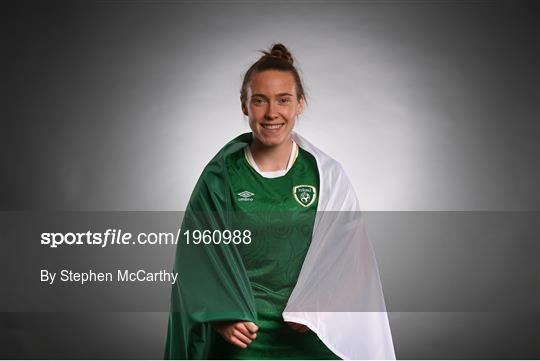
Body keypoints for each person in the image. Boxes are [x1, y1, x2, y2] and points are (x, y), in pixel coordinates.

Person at [164, 43, 395, 360]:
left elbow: (351, 257)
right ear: (245, 106)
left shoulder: (326, 177)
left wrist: (321, 306)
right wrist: (219, 314)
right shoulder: (221, 177)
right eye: (260, 101)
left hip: (308, 331)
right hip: (245, 332)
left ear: (300, 104)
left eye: (283, 100)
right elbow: (194, 258)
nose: (272, 113)